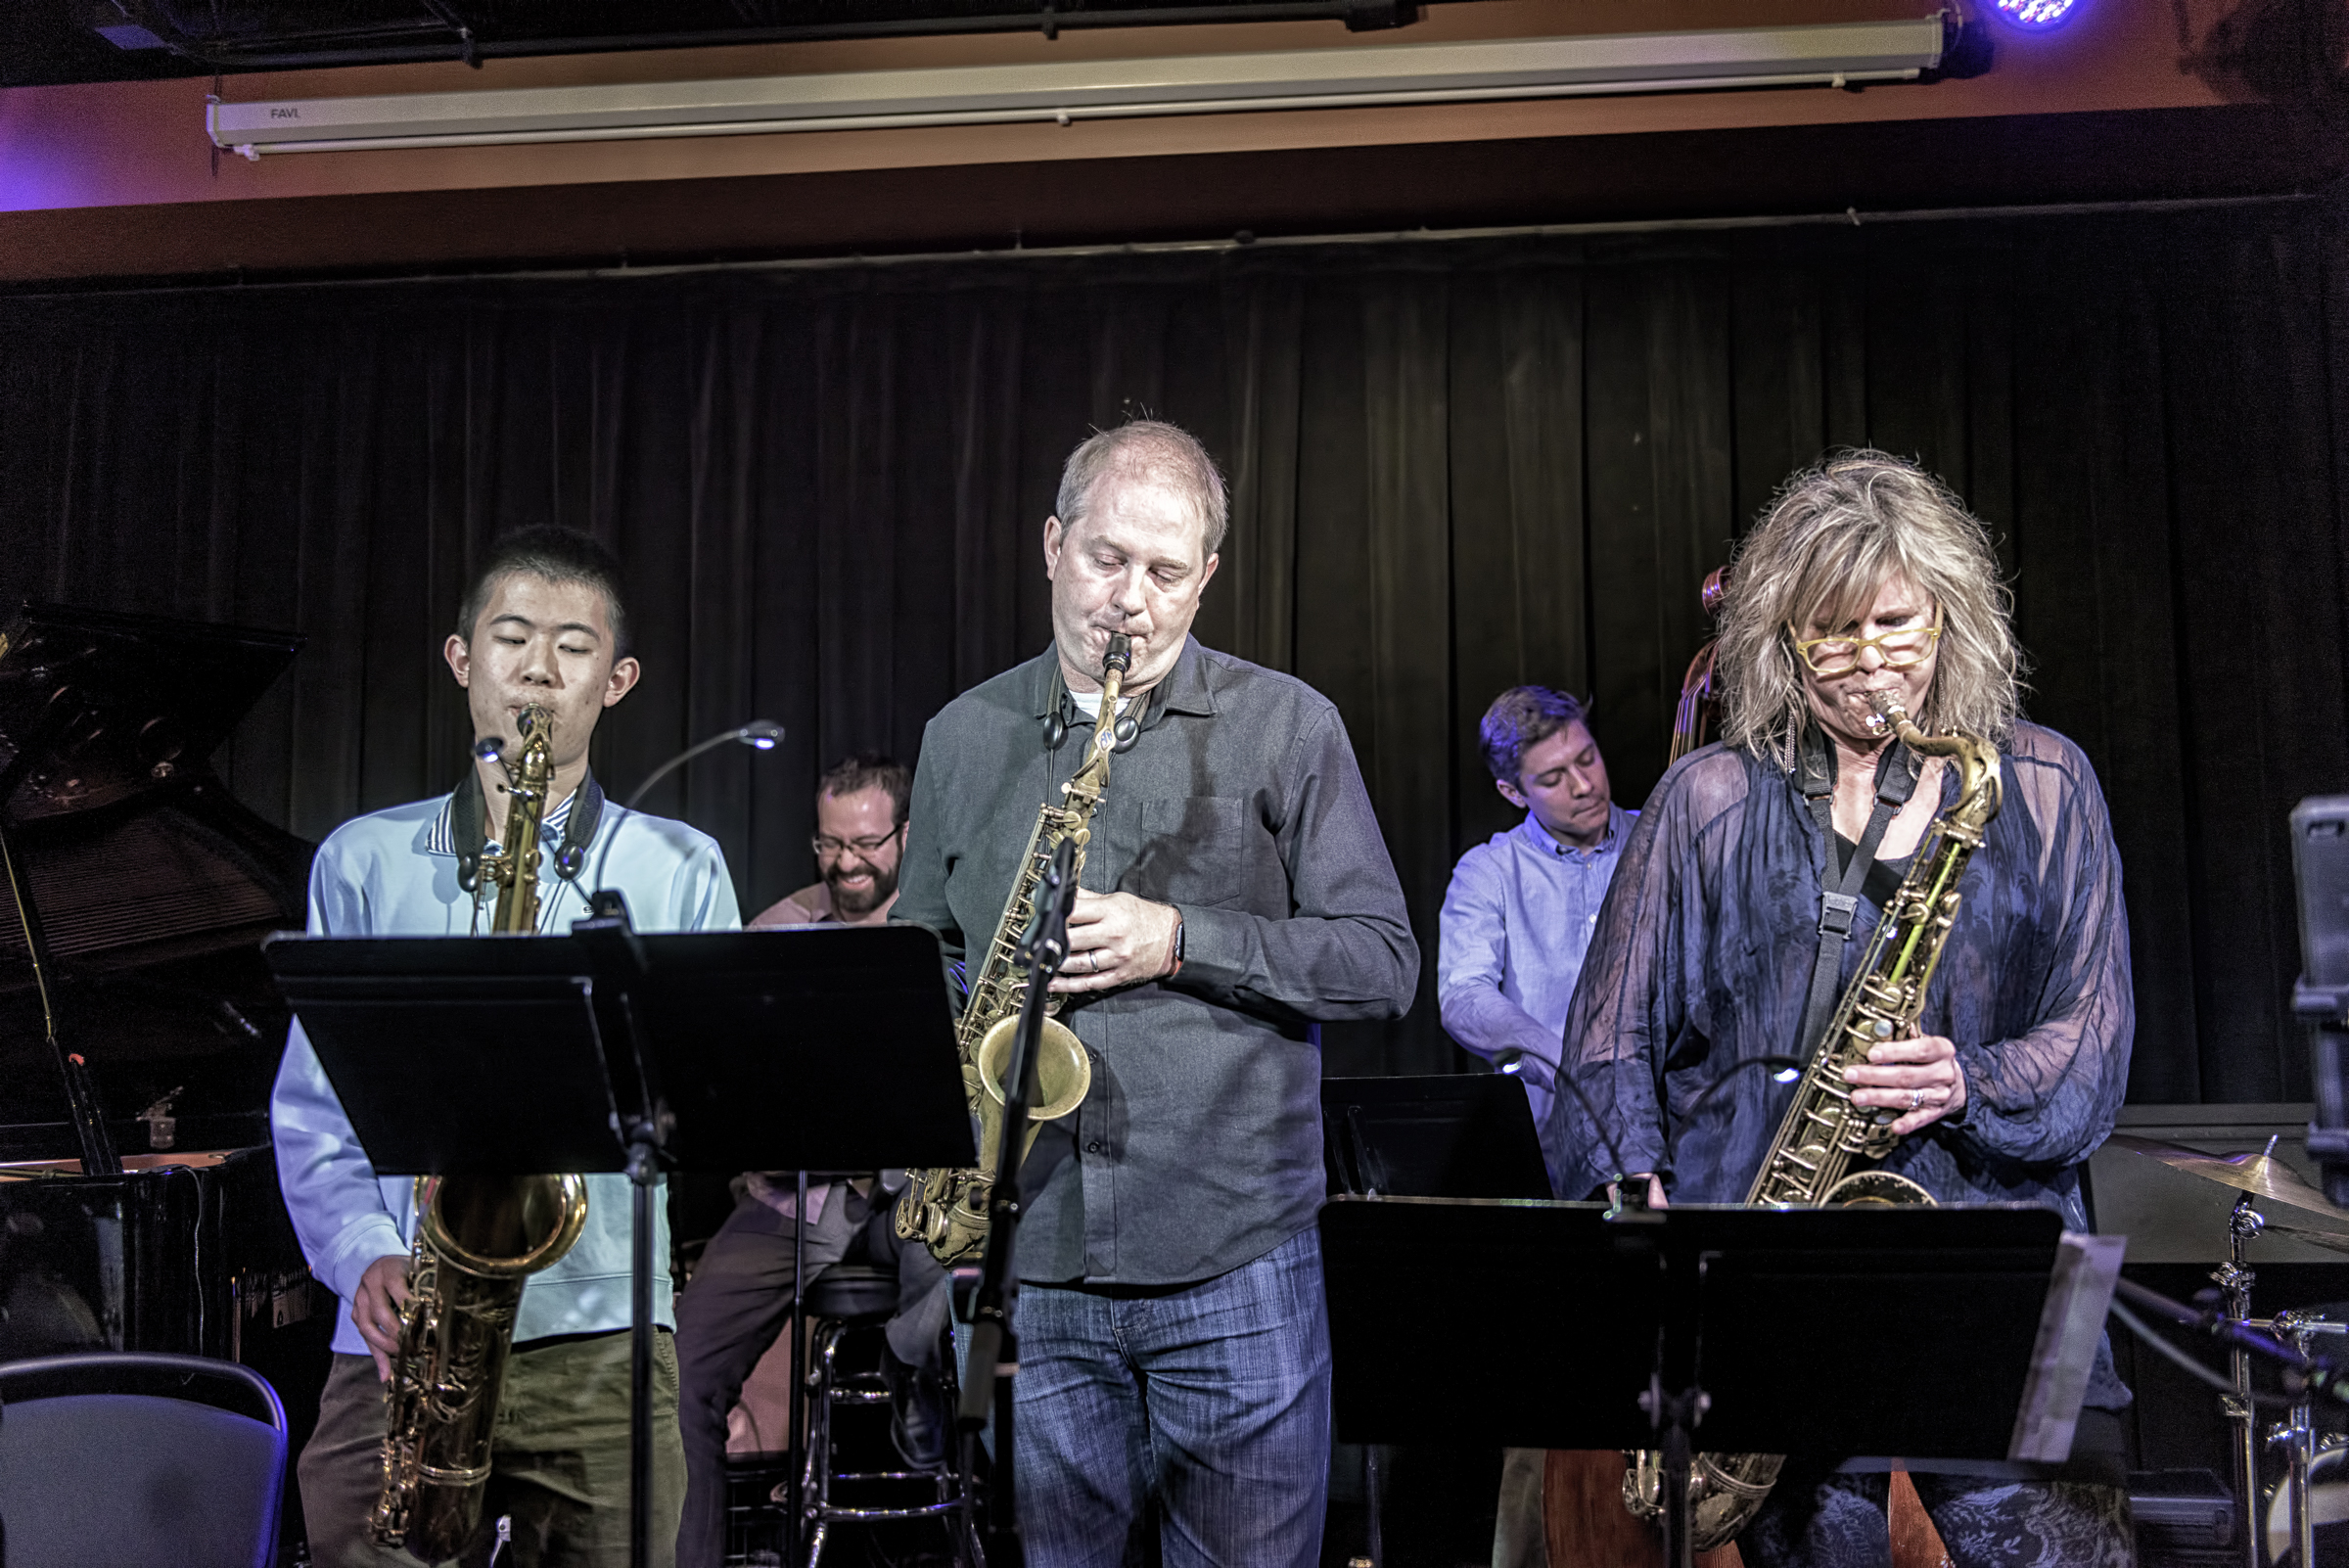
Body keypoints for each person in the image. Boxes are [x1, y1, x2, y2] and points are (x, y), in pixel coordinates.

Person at [1560, 452, 2135, 1567]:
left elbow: (2096, 1040)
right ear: (1780, 641)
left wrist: (1971, 1078)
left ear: (1952, 619)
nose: (1870, 662)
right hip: (1779, 1265)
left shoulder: (2050, 780)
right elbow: (1608, 1037)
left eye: (1895, 623)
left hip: (2001, 1256)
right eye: (1832, 631)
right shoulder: (1708, 797)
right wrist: (1638, 1192)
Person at [895, 419, 1419, 1567]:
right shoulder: (963, 736)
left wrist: (1180, 939)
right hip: (1039, 1258)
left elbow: (1382, 959)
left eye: (1167, 572)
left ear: (1208, 578)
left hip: (1234, 1250)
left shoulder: (1288, 726)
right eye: (1106, 559)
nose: (1130, 599)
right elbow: (923, 959)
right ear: (1051, 544)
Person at [272, 528, 742, 1568]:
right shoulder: (364, 860)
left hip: (605, 1335)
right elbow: (313, 1107)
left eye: (573, 647)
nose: (538, 668)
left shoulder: (680, 866)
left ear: (617, 681)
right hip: (403, 1337)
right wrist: (363, 1254)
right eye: (512, 637)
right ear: (460, 658)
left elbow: (703, 1104)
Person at [673, 753, 950, 1568]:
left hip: (918, 1193)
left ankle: (915, 1376)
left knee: (977, 1269)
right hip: (799, 1197)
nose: (847, 863)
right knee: (679, 1376)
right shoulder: (776, 934)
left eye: (866, 843)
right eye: (830, 845)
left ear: (905, 834)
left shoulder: (946, 929)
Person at [1436, 686, 1628, 1568]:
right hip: (1552, 1160)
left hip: (1669, 1155)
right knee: (1542, 1402)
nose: (1585, 784)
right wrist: (1566, 1053)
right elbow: (1464, 998)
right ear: (1515, 792)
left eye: (1587, 759)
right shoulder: (1491, 871)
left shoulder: (1657, 841)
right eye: (1555, 777)